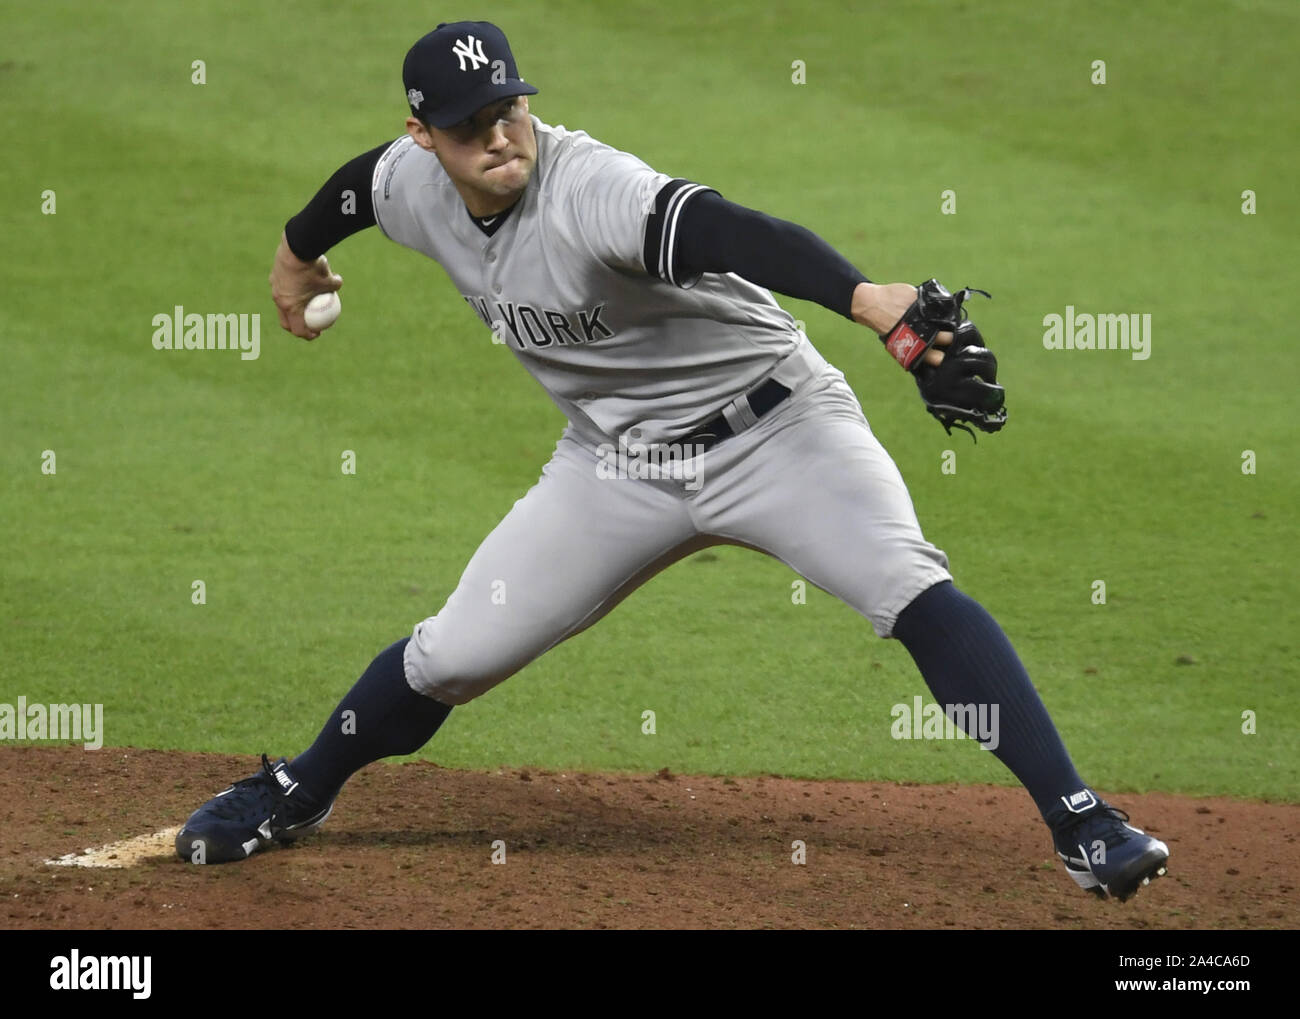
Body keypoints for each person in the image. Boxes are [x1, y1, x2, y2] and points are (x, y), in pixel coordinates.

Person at [176, 20, 1168, 902]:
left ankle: (1083, 824)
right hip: (617, 463)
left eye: (510, 110)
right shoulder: (410, 186)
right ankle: (296, 790)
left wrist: (868, 300)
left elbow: (727, 228)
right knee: (455, 654)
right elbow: (352, 189)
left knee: (909, 586)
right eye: (470, 124)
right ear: (422, 137)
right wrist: (293, 253)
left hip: (781, 432)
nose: (499, 135)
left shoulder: (588, 189)